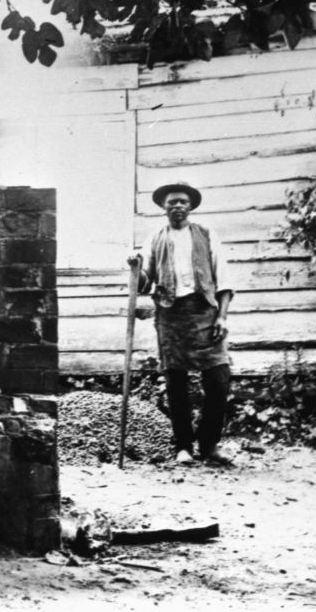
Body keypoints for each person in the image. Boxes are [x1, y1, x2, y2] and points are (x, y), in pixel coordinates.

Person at [127, 181, 235, 467]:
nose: (177, 206)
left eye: (182, 202)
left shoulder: (207, 235)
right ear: (163, 207)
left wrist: (222, 316)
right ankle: (183, 446)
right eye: (172, 202)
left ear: (190, 206)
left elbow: (223, 279)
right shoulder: (155, 238)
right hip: (171, 315)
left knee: (219, 379)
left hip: (205, 312)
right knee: (176, 383)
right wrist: (135, 267)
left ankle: (209, 444)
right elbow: (144, 281)